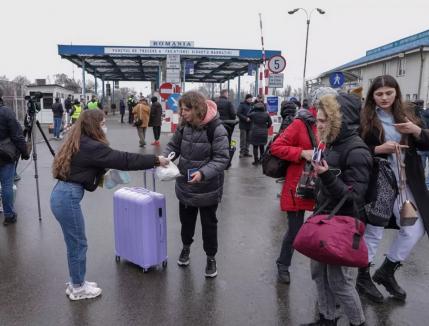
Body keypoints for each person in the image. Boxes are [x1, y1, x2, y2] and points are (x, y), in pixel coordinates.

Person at [50, 109, 168, 301]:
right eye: (103, 122)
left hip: (61, 195)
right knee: (78, 244)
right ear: (94, 125)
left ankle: (75, 282)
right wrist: (155, 160)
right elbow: (125, 159)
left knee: (74, 243)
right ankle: (78, 288)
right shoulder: (92, 146)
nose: (105, 126)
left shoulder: (80, 140)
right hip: (67, 199)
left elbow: (86, 169)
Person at [357, 75, 429, 303]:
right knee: (374, 231)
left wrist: (416, 131)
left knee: (415, 228)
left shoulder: (409, 116)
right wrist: (378, 149)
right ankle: (362, 276)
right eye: (379, 94)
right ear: (372, 97)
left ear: (396, 92)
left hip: (407, 182)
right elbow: (356, 150)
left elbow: (426, 143)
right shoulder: (366, 119)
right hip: (377, 182)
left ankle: (387, 270)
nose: (384, 97)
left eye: (389, 92)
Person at [302, 93, 372, 326]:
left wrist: (326, 175)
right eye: (317, 119)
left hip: (343, 225)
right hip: (324, 217)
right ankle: (327, 318)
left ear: (339, 121)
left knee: (339, 283)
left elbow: (354, 196)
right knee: (318, 275)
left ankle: (357, 322)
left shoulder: (357, 151)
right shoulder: (330, 143)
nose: (317, 124)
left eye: (323, 121)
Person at [270, 88, 336, 284]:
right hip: (299, 184)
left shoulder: (336, 124)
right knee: (295, 230)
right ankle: (283, 264)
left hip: (325, 184)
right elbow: (276, 147)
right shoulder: (300, 123)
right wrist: (301, 153)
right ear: (317, 103)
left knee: (324, 230)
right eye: (327, 101)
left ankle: (324, 273)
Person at [163, 91, 229, 278]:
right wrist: (166, 158)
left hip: (208, 188)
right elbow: (173, 146)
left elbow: (222, 159)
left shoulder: (216, 129)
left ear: (198, 109)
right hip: (186, 185)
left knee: (209, 225)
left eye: (186, 109)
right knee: (186, 222)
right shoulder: (184, 126)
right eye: (181, 109)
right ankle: (186, 249)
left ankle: (211, 258)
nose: (182, 113)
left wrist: (203, 173)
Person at [0, 96, 29, 226]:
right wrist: (24, 152)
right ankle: (9, 215)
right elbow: (17, 135)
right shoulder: (6, 112)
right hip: (4, 155)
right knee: (7, 185)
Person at [248, 101, 272, 165]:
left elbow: (248, 114)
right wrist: (266, 127)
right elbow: (270, 123)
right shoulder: (266, 114)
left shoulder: (253, 114)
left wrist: (252, 109)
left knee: (255, 147)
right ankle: (262, 160)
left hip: (255, 132)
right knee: (262, 147)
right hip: (263, 132)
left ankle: (256, 161)